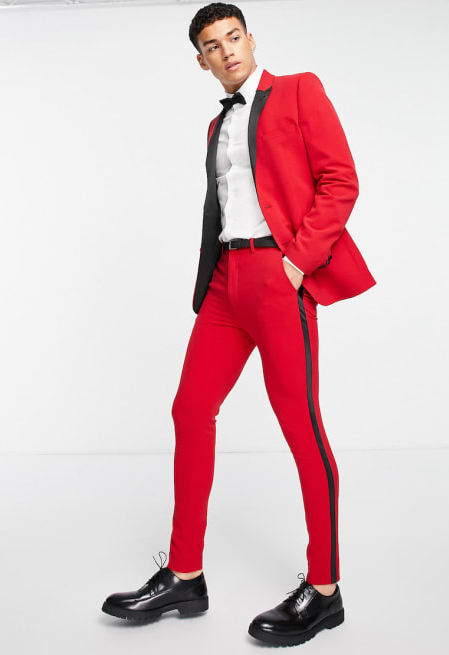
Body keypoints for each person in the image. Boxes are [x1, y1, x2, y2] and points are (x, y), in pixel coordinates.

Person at [102, 2, 376, 647]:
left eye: (233, 38)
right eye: (212, 45)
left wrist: (296, 264)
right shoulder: (216, 124)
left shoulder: (300, 90)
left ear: (251, 40)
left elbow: (340, 180)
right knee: (190, 409)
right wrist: (220, 276)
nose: (227, 51)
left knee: (301, 427)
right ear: (201, 62)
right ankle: (185, 575)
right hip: (228, 283)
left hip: (280, 278)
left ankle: (325, 590)